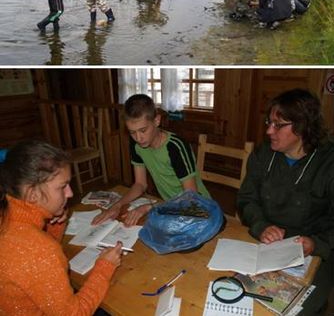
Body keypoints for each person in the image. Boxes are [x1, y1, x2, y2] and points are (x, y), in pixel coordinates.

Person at [237, 89, 334, 315]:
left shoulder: (329, 163)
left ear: (302, 126)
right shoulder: (264, 153)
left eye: (278, 125)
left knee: (300, 309)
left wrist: (316, 243)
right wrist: (261, 225)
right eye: (268, 122)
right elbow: (246, 198)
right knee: (236, 294)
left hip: (315, 250)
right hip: (266, 242)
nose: (269, 130)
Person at [0, 140, 123, 316]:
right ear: (32, 194)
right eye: (62, 187)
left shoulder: (7, 216)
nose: (70, 193)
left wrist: (54, 223)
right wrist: (105, 267)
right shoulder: (39, 251)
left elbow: (36, 268)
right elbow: (74, 313)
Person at [92, 94, 210, 226]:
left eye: (143, 130)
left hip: (197, 208)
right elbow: (140, 184)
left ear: (156, 121)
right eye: (132, 132)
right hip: (169, 207)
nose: (138, 138)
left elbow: (190, 196)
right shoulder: (136, 145)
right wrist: (117, 205)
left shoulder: (175, 147)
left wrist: (148, 207)